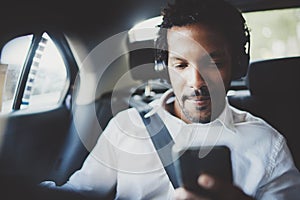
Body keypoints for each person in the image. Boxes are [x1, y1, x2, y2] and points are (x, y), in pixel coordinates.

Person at [41, 0, 300, 199]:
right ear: (164, 69)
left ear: (238, 65)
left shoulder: (268, 146)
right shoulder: (126, 127)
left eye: (214, 63)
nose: (196, 82)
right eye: (180, 65)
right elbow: (80, 192)